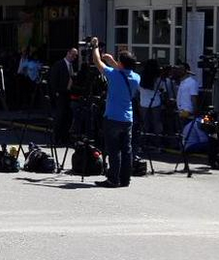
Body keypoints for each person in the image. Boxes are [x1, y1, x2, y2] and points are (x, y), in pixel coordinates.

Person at [90, 38, 140, 188]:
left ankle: (113, 178)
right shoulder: (136, 78)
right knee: (127, 150)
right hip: (127, 118)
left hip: (112, 117)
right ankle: (125, 179)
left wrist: (95, 47)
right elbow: (122, 70)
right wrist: (113, 61)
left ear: (121, 64)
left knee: (114, 150)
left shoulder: (113, 74)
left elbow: (97, 62)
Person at [49, 48, 78, 144]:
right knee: (60, 116)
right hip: (60, 93)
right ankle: (57, 138)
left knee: (68, 116)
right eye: (72, 55)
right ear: (68, 53)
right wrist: (56, 93)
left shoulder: (72, 66)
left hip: (69, 94)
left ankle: (65, 137)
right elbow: (53, 79)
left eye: (75, 56)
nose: (74, 57)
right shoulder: (59, 64)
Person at [137, 60, 166, 153]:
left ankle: (141, 145)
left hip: (143, 103)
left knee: (145, 125)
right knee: (156, 124)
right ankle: (158, 145)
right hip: (156, 103)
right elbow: (163, 91)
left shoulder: (141, 78)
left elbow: (138, 91)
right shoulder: (158, 79)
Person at [174, 62, 199, 130]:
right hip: (181, 111)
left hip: (188, 112)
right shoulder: (182, 82)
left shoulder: (192, 82)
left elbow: (194, 98)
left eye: (181, 69)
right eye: (178, 69)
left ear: (187, 70)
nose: (179, 71)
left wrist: (195, 111)